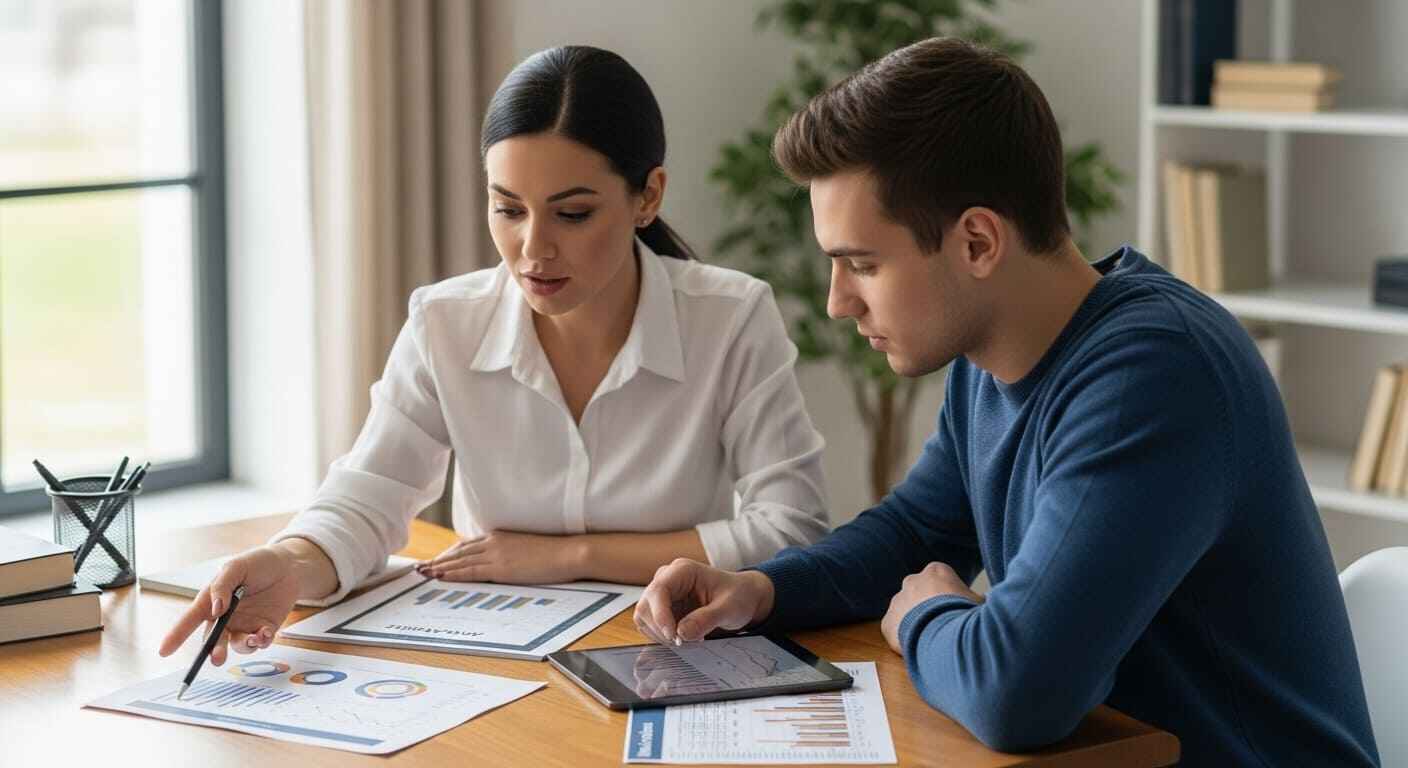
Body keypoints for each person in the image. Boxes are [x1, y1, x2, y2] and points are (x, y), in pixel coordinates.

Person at [634, 38, 1379, 765]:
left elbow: (1018, 693)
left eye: (861, 263)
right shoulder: (988, 358)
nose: (837, 302)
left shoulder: (1154, 377)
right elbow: (915, 531)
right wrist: (761, 590)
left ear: (979, 243)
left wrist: (928, 615)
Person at [159, 45, 829, 668]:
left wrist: (568, 557)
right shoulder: (445, 322)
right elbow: (368, 496)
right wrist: (289, 559)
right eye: (508, 209)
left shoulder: (732, 317)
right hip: (499, 663)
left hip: (666, 656)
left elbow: (791, 529)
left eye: (572, 214)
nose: (533, 251)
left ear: (647, 195)